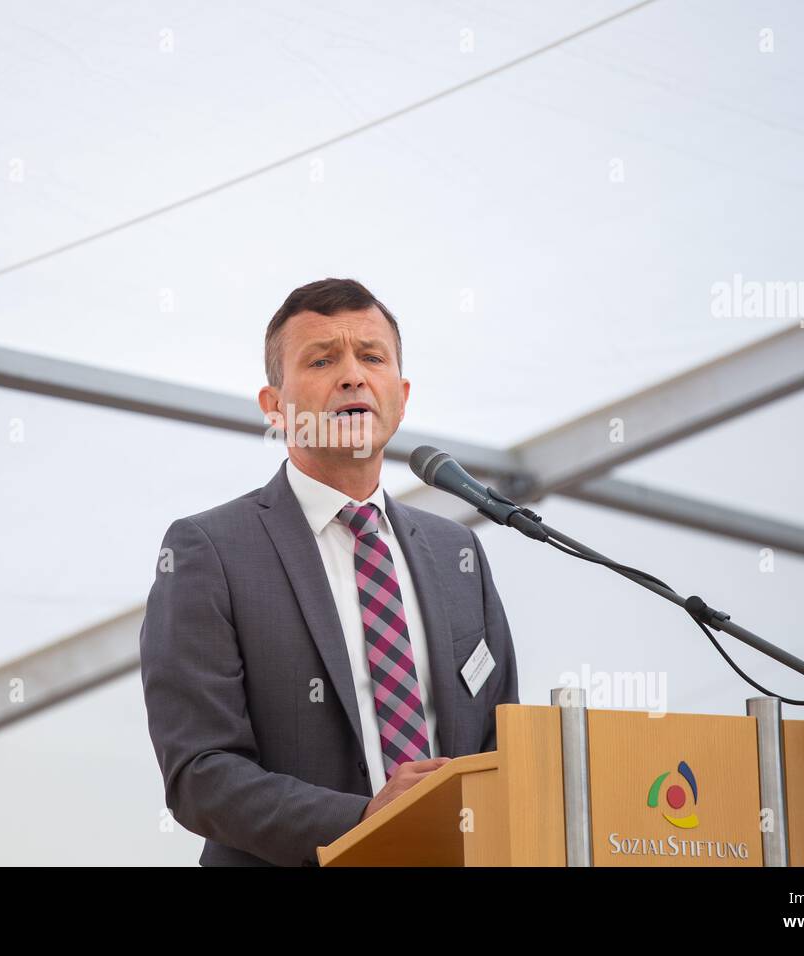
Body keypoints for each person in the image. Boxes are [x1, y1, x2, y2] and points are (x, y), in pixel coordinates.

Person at [139, 277, 520, 866]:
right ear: (273, 407)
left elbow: (502, 746)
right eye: (321, 360)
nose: (352, 375)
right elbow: (199, 772)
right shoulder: (209, 550)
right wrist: (365, 820)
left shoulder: (457, 553)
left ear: (401, 393)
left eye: (372, 357)